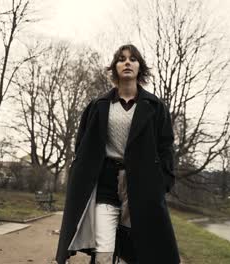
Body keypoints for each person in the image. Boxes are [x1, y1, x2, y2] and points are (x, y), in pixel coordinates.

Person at [55, 44, 180, 264]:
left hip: (142, 186)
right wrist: (81, 172)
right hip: (106, 182)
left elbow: (166, 147)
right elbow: (82, 144)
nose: (127, 62)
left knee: (135, 249)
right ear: (115, 67)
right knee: (103, 251)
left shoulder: (155, 107)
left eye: (133, 59)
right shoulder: (98, 106)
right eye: (122, 59)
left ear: (140, 67)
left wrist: (162, 183)